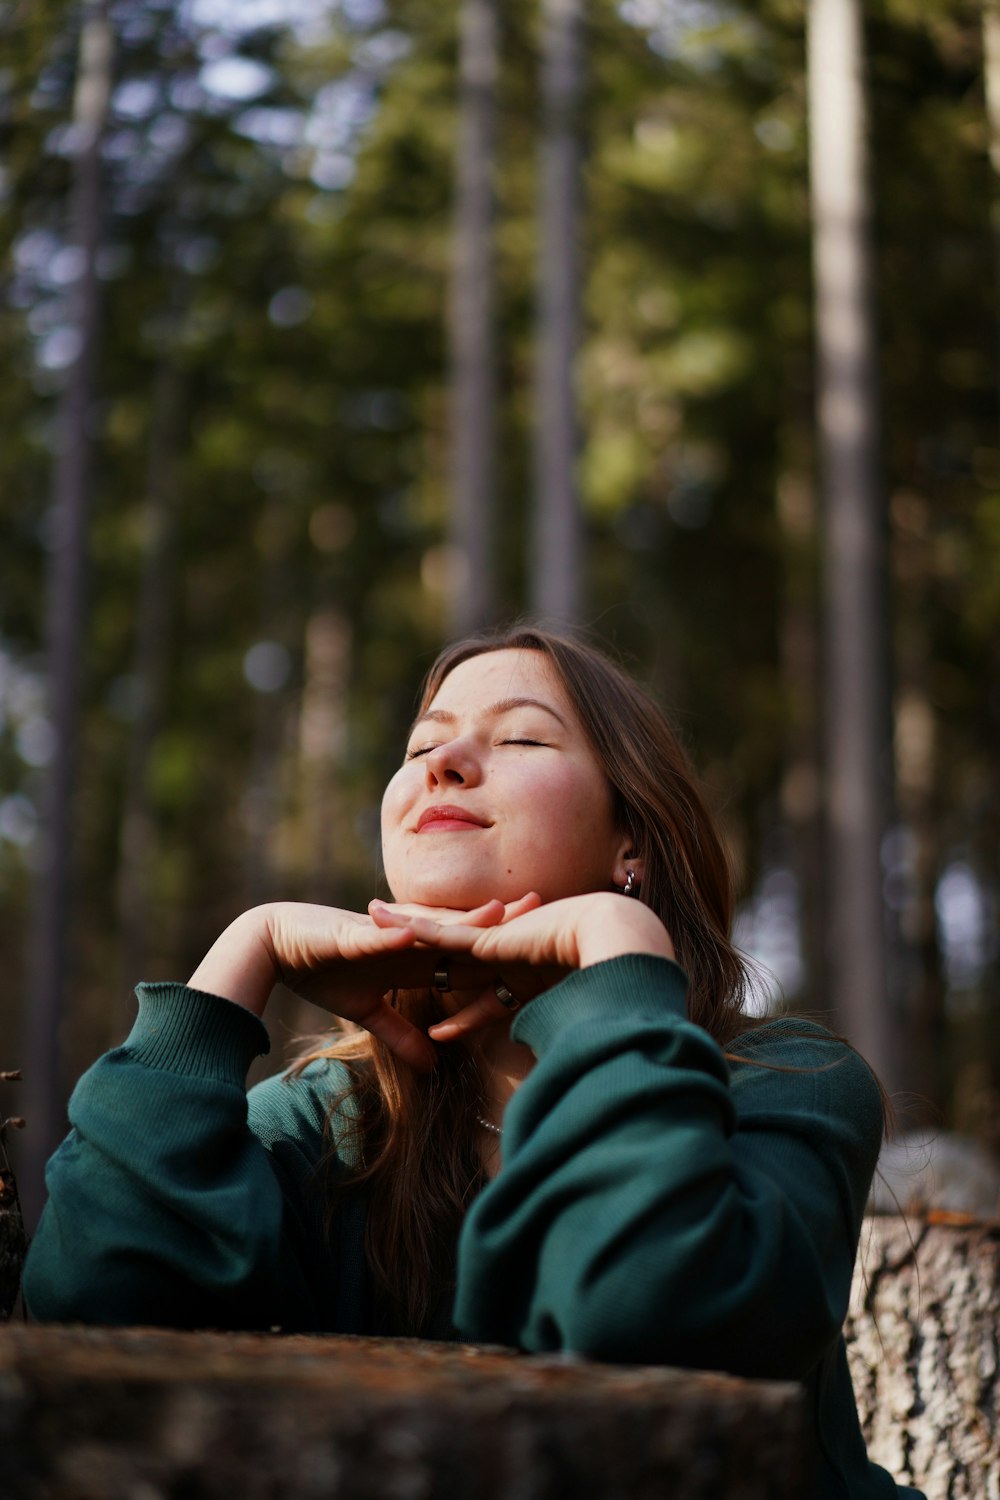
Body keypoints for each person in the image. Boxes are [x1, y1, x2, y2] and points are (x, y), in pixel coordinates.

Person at [24, 626, 923, 1500]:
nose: (441, 765)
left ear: (632, 844)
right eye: (423, 745)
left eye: (523, 736)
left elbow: (654, 1318)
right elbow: (95, 1303)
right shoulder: (336, 1116)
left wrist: (615, 947)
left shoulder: (789, 1081)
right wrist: (240, 954)